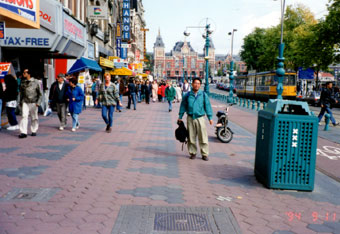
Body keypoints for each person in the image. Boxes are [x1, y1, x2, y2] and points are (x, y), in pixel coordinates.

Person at [178, 78, 213, 161]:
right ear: (192, 84)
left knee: (203, 137)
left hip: (200, 118)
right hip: (190, 118)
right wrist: (180, 116)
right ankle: (193, 153)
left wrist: (210, 117)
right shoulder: (187, 95)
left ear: (200, 85)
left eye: (198, 83)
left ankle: (204, 154)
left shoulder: (204, 95)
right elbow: (183, 106)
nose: (197, 85)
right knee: (191, 137)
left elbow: (207, 106)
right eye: (195, 83)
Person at [18, 69, 42, 138]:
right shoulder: (23, 82)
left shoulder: (36, 82)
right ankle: (23, 132)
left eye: (24, 72)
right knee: (24, 116)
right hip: (25, 102)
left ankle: (34, 130)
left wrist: (38, 102)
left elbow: (40, 93)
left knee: (34, 117)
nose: (23, 74)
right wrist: (20, 101)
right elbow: (21, 93)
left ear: (29, 74)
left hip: (34, 102)